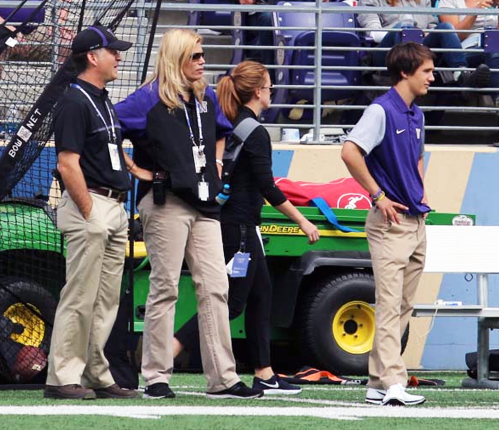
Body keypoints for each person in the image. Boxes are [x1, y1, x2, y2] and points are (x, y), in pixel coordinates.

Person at [115, 29, 263, 400]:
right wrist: (136, 170)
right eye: (195, 56)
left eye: (202, 55)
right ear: (177, 58)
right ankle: (156, 376)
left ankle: (223, 379)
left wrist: (213, 165)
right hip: (166, 203)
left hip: (204, 205)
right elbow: (108, 127)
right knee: (164, 288)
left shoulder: (206, 96)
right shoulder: (148, 99)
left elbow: (221, 133)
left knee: (216, 286)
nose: (202, 61)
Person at [172, 60, 320, 396]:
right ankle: (172, 349)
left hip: (237, 225)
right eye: (268, 86)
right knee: (232, 302)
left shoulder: (237, 125)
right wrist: (303, 220)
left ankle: (264, 372)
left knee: (260, 296)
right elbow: (267, 187)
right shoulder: (255, 132)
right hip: (239, 228)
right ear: (257, 92)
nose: (271, 92)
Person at [43, 24, 149, 400]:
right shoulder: (73, 101)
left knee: (106, 300)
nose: (118, 57)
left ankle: (95, 374)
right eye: (112, 51)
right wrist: (89, 211)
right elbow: (67, 163)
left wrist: (134, 171)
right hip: (91, 205)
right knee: (80, 296)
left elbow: (109, 147)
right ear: (92, 57)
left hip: (113, 206)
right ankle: (62, 377)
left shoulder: (100, 98)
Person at [341, 41, 432, 407]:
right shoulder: (381, 110)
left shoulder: (417, 114)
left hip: (415, 220)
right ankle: (393, 382)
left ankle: (379, 382)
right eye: (426, 71)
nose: (433, 76)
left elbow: (419, 158)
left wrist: (420, 196)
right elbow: (349, 151)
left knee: (402, 306)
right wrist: (378, 196)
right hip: (389, 222)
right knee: (390, 303)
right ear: (406, 72)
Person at [0, 2, 76, 137]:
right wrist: (11, 31)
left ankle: (64, 116)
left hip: (32, 30)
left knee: (69, 44)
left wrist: (59, 20)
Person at [357, 0, 491, 96]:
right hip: (388, 52)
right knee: (405, 27)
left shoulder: (422, 1)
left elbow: (432, 28)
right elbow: (373, 33)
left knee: (445, 28)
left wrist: (421, 34)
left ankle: (461, 74)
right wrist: (407, 32)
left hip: (420, 48)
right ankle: (409, 78)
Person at [437, 0, 499, 116]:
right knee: (494, 47)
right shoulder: (449, 2)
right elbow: (454, 35)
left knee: (494, 45)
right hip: (469, 49)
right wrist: (474, 12)